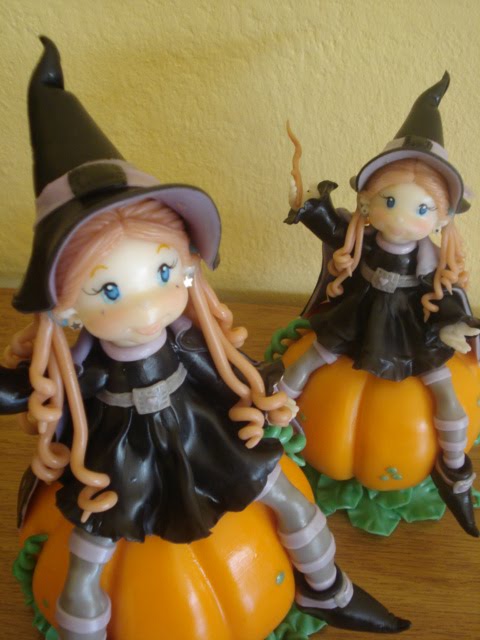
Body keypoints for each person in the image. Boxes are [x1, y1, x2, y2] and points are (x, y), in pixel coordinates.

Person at [0, 37, 409, 639]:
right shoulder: (77, 367)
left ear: (188, 265)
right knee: (87, 560)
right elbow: (25, 391)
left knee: (289, 499)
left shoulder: (192, 339)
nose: (146, 308)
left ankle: (328, 590)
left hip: (202, 431)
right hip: (119, 457)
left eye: (163, 272)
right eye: (108, 290)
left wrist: (265, 389)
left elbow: (226, 371)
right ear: (64, 305)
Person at [282, 73, 479, 538]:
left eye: (422, 209)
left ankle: (453, 466)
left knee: (446, 394)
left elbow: (447, 295)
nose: (405, 217)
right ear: (368, 202)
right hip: (358, 314)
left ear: (441, 218)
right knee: (302, 366)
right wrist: (308, 205)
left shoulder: (433, 263)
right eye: (392, 201)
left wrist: (453, 325)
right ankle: (274, 425)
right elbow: (333, 229)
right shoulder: (361, 241)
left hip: (411, 326)